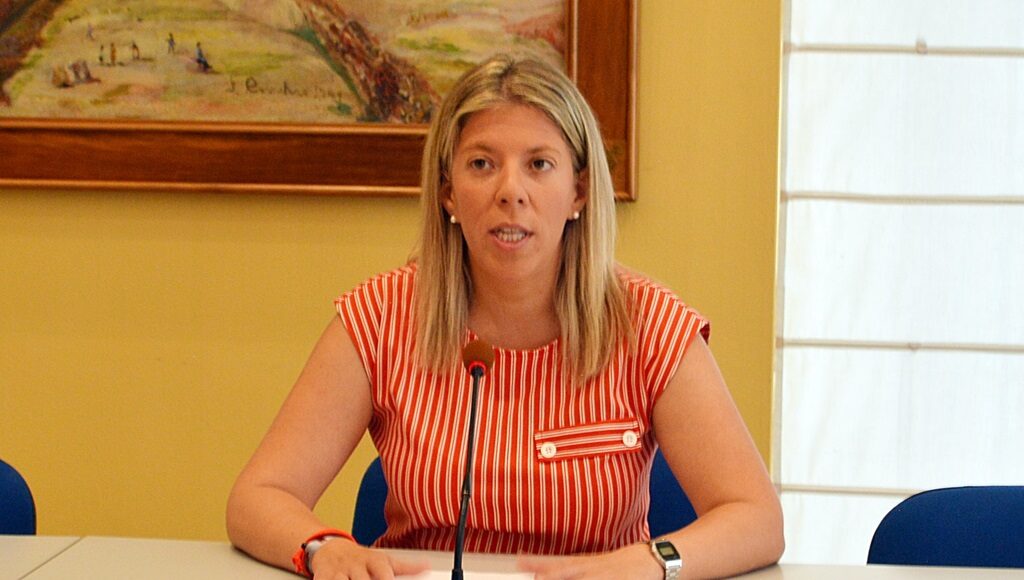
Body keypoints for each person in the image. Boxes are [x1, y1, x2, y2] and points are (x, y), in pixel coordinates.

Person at [227, 54, 784, 579]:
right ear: (448, 192)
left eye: (539, 164)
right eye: (482, 164)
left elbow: (757, 519)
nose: (510, 191)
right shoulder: (382, 317)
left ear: (578, 191)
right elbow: (258, 496)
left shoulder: (649, 325)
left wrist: (651, 561)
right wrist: (322, 547)